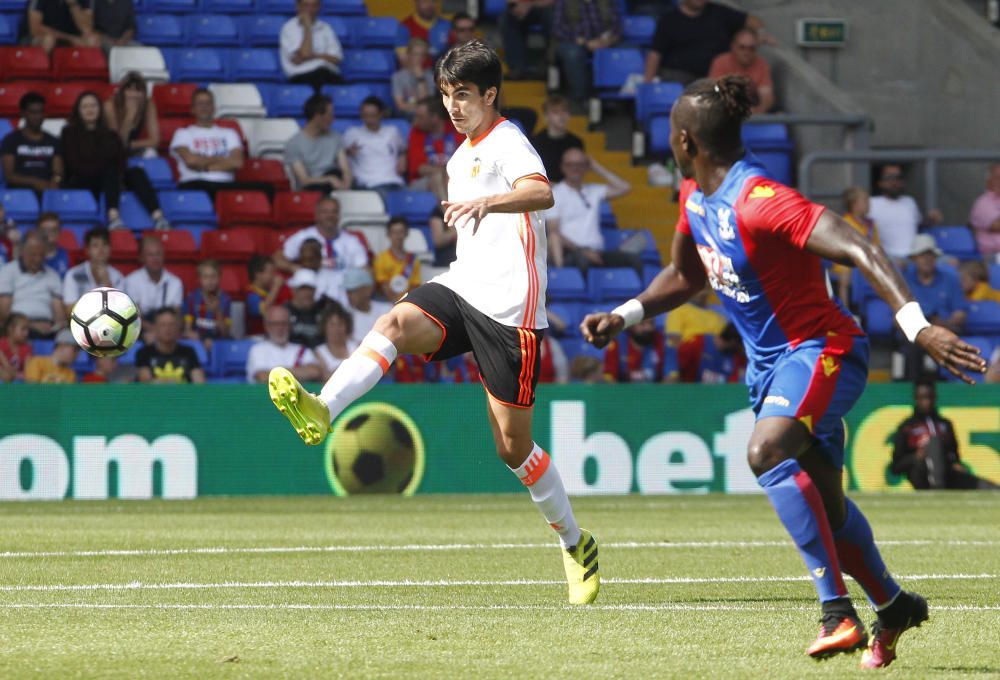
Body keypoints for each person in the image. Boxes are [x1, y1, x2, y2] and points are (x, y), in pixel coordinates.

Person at [580, 75, 985, 666]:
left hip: (824, 350)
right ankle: (893, 606)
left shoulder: (760, 198)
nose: (667, 138)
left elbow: (858, 246)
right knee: (828, 505)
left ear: (686, 140)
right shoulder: (693, 194)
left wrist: (917, 326)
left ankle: (835, 613)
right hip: (771, 368)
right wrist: (625, 313)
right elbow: (687, 276)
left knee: (765, 452)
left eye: (670, 131)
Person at [266, 40, 600, 606]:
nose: (453, 106)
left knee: (512, 449)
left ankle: (575, 542)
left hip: (510, 310)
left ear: (490, 95)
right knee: (394, 322)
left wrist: (488, 203)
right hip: (462, 285)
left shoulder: (508, 141)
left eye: (463, 95)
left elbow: (540, 192)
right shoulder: (456, 156)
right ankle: (324, 406)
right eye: (446, 95)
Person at [62, 91, 167, 231]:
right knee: (109, 170)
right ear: (78, 111)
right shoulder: (69, 133)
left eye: (93, 105)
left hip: (109, 179)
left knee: (136, 172)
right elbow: (72, 163)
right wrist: (102, 166)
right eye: (85, 106)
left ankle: (158, 218)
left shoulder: (111, 135)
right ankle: (114, 218)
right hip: (82, 179)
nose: (90, 109)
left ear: (100, 109)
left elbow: (120, 161)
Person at [891, 377, 998, 490]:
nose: (926, 402)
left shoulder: (944, 424)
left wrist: (956, 464)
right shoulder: (907, 427)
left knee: (989, 488)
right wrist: (915, 457)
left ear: (935, 397)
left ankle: (940, 484)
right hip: (920, 473)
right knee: (933, 443)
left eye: (929, 397)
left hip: (947, 472)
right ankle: (937, 487)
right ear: (916, 398)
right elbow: (896, 466)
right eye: (922, 398)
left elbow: (954, 455)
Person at [545, 148, 638, 273]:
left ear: (586, 167)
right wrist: (583, 251)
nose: (575, 168)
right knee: (584, 262)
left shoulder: (594, 190)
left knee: (633, 260)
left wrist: (596, 167)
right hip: (573, 252)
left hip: (598, 252)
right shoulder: (556, 194)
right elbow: (554, 233)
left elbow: (625, 187)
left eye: (580, 164)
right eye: (570, 164)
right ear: (562, 167)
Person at [273, 196, 369, 303]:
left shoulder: (351, 240)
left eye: (334, 211)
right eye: (325, 212)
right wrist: (294, 268)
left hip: (344, 293)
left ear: (339, 215)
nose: (330, 215)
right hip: (312, 290)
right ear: (316, 215)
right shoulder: (303, 236)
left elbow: (364, 269)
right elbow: (277, 258)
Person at [644, 0, 764, 84]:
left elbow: (752, 20)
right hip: (679, 77)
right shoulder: (668, 20)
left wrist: (759, 33)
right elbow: (655, 54)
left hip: (717, 75)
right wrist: (648, 83)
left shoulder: (720, 13)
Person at [169, 89, 256, 200]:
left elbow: (237, 162)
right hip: (196, 183)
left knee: (265, 189)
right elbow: (191, 161)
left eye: (208, 103)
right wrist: (222, 160)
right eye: (200, 103)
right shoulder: (183, 133)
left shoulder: (229, 133)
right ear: (192, 109)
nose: (204, 107)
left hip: (225, 184)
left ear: (214, 108)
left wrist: (204, 166)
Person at [868, 164, 942, 262]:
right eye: (889, 178)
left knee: (951, 263)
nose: (894, 182)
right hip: (888, 256)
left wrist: (931, 219)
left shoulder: (909, 202)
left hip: (915, 255)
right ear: (880, 182)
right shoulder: (871, 203)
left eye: (898, 178)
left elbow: (920, 224)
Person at [552, 0, 621, 103]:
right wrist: (584, 41)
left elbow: (617, 25)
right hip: (574, 41)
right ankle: (580, 98)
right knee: (573, 54)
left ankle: (612, 98)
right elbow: (557, 28)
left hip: (604, 40)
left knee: (629, 51)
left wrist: (607, 40)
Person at [0, 231, 64, 339]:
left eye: (41, 255)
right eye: (33, 255)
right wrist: (30, 325)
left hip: (48, 329)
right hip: (17, 327)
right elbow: (3, 313)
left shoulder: (53, 276)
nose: (37, 259)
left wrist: (57, 326)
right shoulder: (7, 272)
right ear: (22, 251)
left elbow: (59, 314)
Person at [284, 93, 351, 192]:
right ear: (317, 116)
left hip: (336, 185)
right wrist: (328, 179)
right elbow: (304, 180)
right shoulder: (294, 144)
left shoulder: (335, 137)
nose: (333, 119)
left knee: (336, 173)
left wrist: (346, 186)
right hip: (313, 188)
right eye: (330, 115)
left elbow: (346, 169)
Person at [0, 92, 63, 197]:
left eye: (40, 112)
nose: (38, 116)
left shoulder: (53, 141)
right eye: (33, 112)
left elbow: (58, 172)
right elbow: (9, 176)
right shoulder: (11, 140)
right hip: (19, 195)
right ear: (23, 113)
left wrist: (55, 181)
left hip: (48, 194)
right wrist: (35, 183)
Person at [343, 97, 407, 197]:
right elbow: (340, 156)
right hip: (369, 184)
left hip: (395, 181)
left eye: (372, 115)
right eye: (365, 115)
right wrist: (348, 152)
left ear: (381, 114)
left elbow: (403, 149)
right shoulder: (352, 133)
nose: (368, 119)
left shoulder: (392, 131)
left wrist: (402, 158)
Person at [903, 235, 966, 334]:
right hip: (914, 337)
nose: (927, 259)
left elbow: (960, 313)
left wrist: (944, 324)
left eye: (930, 255)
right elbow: (897, 318)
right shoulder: (904, 282)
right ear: (914, 259)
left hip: (945, 333)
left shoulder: (950, 279)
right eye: (922, 255)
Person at [246, 304, 322, 383]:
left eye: (283, 323)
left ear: (290, 325)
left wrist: (275, 374)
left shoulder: (301, 349)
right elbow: (262, 377)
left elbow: (315, 372)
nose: (280, 328)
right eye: (275, 324)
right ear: (266, 326)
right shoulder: (257, 350)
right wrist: (300, 372)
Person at [830, 186, 880, 306]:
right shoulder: (844, 222)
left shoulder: (871, 224)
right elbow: (840, 248)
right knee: (845, 277)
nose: (869, 204)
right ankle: (846, 312)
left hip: (867, 262)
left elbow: (877, 247)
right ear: (854, 204)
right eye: (865, 201)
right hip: (846, 262)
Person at [280, 0, 343, 92]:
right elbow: (304, 54)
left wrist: (314, 56)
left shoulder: (326, 28)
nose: (310, 9)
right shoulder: (289, 28)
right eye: (306, 5)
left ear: (319, 7)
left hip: (328, 74)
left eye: (314, 6)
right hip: (302, 77)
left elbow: (336, 59)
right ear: (298, 6)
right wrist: (307, 28)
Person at [405, 97, 462, 201]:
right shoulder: (416, 133)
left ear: (435, 118)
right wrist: (444, 173)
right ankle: (448, 214)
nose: (415, 122)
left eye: (420, 117)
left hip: (455, 179)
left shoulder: (457, 129)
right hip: (422, 182)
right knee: (437, 177)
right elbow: (419, 168)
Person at [708, 28, 774, 114]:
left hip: (754, 113)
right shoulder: (720, 62)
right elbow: (715, 93)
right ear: (733, 46)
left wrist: (758, 110)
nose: (746, 52)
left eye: (751, 48)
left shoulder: (761, 64)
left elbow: (767, 95)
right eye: (742, 47)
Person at [104, 72, 163, 165]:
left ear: (144, 94)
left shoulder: (148, 104)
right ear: (122, 92)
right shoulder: (110, 106)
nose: (134, 95)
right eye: (129, 90)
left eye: (138, 90)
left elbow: (155, 141)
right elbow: (117, 144)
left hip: (130, 147)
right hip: (109, 150)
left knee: (151, 154)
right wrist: (129, 117)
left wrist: (131, 145)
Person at [62, 227, 124, 315]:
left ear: (110, 249)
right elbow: (69, 311)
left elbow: (121, 312)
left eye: (105, 244)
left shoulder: (117, 276)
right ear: (87, 250)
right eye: (95, 245)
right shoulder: (73, 275)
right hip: (80, 326)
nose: (101, 249)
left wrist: (107, 284)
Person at [136, 307, 206, 384]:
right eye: (163, 325)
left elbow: (200, 383)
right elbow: (146, 382)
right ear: (155, 328)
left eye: (171, 324)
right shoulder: (144, 353)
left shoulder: (189, 352)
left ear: (178, 327)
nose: (167, 328)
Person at [124, 235, 184, 323]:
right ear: (141, 258)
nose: (155, 259)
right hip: (141, 330)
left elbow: (175, 316)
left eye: (158, 254)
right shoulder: (131, 281)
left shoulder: (175, 282)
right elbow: (134, 317)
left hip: (167, 330)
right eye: (150, 255)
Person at [602, 317, 676, 382]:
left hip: (656, 394)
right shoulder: (617, 343)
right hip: (622, 394)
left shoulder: (664, 342)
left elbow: (671, 376)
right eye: (642, 324)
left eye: (651, 323)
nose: (648, 328)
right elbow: (609, 378)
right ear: (630, 325)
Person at [530, 95, 584, 184]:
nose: (562, 115)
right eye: (556, 112)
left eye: (564, 111)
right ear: (546, 117)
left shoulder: (576, 142)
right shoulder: (535, 142)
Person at [500, 0, 554, 81]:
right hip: (522, 6)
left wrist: (530, 4)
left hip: (545, 7)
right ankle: (518, 68)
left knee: (552, 18)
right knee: (506, 20)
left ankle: (551, 66)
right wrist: (517, 6)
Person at [183, 259, 231, 347]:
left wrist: (217, 312)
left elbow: (225, 334)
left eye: (213, 276)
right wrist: (201, 339)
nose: (210, 280)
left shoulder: (225, 299)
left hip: (218, 341)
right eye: (205, 277)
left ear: (219, 277)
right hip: (198, 340)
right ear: (199, 279)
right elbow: (187, 331)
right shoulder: (192, 298)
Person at [677, 321, 745, 383]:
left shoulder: (737, 358)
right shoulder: (697, 344)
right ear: (733, 342)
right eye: (743, 345)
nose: (744, 349)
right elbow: (676, 371)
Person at [373, 217, 422, 301]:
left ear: (406, 233)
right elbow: (383, 287)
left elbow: (415, 287)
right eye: (394, 232)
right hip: (387, 304)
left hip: (408, 304)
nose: (398, 236)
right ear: (388, 234)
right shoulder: (381, 259)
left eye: (401, 232)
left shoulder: (413, 260)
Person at [27, 0, 99, 53]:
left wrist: (73, 5)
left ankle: (82, 72)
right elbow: (35, 29)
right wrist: (71, 39)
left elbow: (87, 29)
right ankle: (41, 72)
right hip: (43, 37)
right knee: (49, 40)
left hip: (75, 37)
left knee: (92, 40)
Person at [341, 267, 391, 343]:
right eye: (348, 292)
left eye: (354, 291)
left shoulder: (387, 309)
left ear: (368, 289)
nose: (349, 296)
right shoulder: (345, 317)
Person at [246, 255, 292, 336]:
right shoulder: (250, 293)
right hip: (257, 337)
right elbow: (264, 310)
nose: (273, 276)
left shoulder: (270, 292)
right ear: (258, 274)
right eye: (270, 272)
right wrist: (276, 287)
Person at [392, 38, 436, 120]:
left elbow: (427, 105)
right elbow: (400, 106)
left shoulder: (430, 76)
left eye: (422, 55)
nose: (419, 58)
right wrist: (418, 108)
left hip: (426, 119)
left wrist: (420, 79)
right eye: (415, 54)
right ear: (408, 55)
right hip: (405, 118)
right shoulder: (398, 77)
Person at [285, 268, 326, 347]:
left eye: (310, 288)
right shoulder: (284, 312)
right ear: (293, 290)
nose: (307, 293)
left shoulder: (324, 311)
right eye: (302, 288)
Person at [315, 301, 357, 377]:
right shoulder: (319, 352)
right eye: (332, 324)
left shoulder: (356, 347)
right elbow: (325, 376)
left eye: (340, 324)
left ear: (347, 326)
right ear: (324, 327)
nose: (336, 329)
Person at [968, 162, 1000, 261]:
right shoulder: (982, 203)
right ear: (989, 181)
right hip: (992, 255)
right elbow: (997, 225)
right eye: (998, 178)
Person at [36, 212, 70, 278]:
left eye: (54, 230)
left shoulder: (68, 256)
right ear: (39, 231)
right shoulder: (31, 257)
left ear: (59, 232)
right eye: (46, 230)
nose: (50, 233)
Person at [0, 313, 32, 382]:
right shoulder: (1, 344)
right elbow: (7, 367)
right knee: (5, 374)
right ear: (10, 329)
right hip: (3, 374)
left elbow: (28, 370)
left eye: (27, 329)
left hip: (17, 378)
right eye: (23, 329)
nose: (26, 333)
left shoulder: (27, 348)